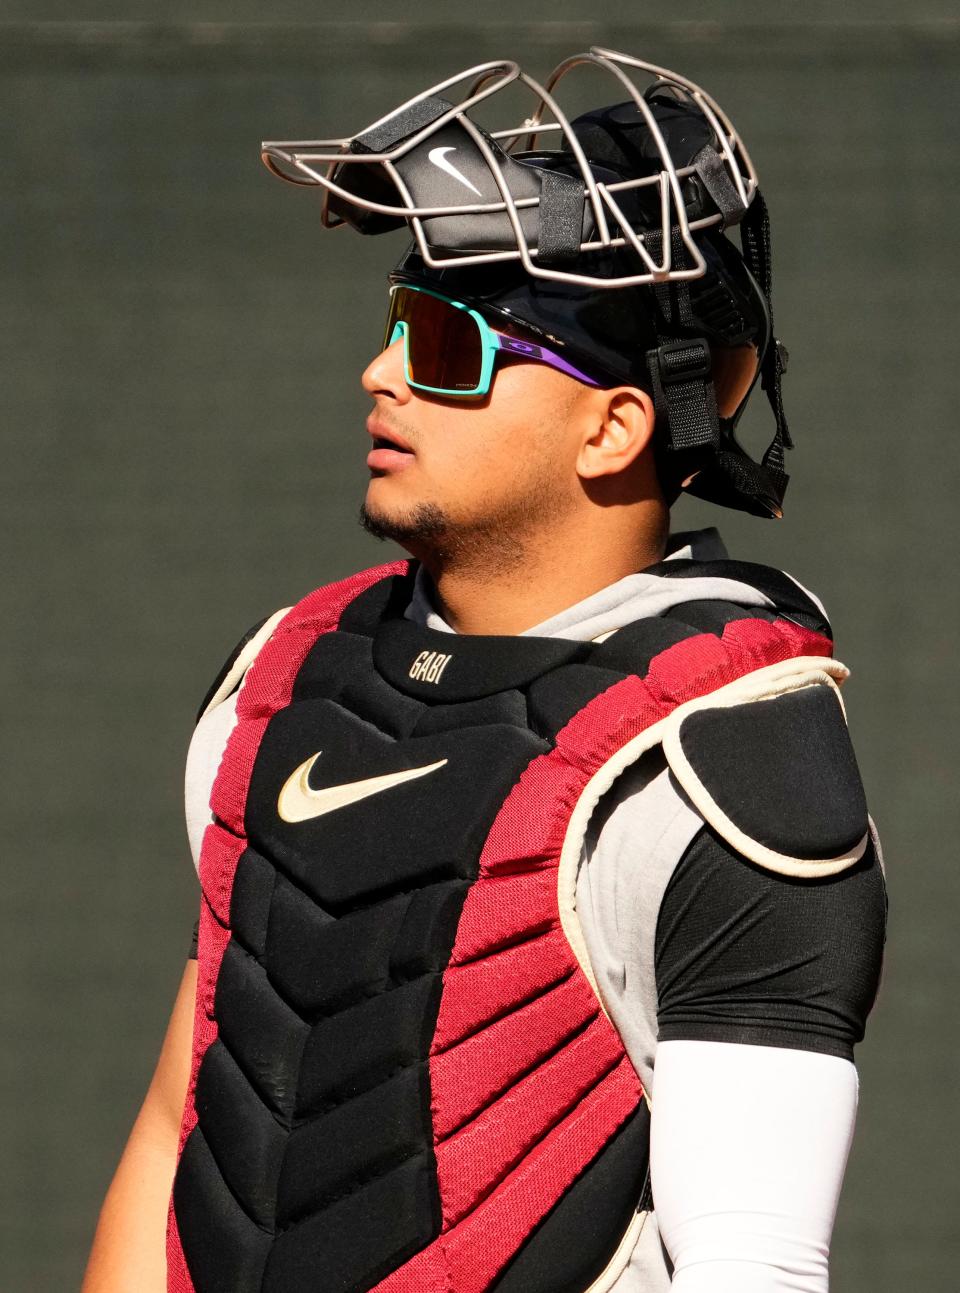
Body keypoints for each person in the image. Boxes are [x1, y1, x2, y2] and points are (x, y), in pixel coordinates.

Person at [83, 48, 886, 1293]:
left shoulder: (729, 766)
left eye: (451, 345)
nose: (383, 373)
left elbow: (757, 1266)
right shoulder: (283, 679)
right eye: (400, 322)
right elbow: (180, 1130)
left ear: (612, 426)